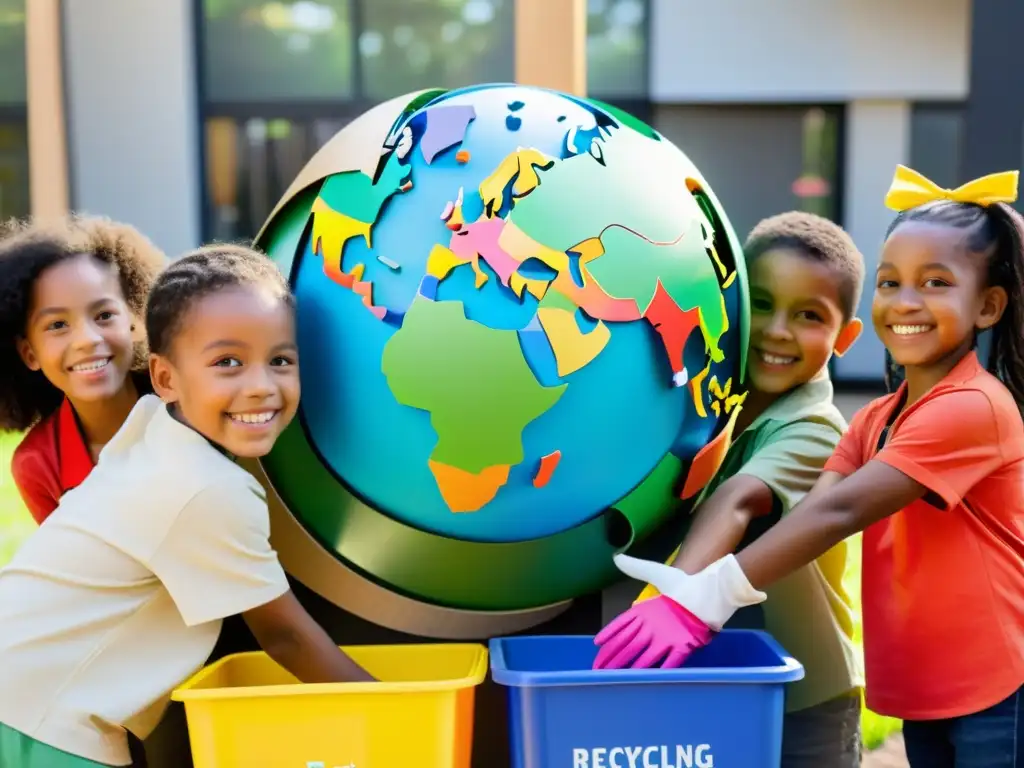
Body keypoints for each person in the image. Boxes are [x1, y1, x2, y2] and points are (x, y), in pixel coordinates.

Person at [599, 165, 1024, 767]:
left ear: (988, 306)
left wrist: (699, 599)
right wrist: (681, 592)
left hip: (999, 682)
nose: (906, 301)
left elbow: (842, 511)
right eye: (891, 281)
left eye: (935, 283)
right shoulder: (877, 417)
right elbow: (820, 508)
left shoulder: (971, 407)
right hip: (931, 687)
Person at [0, 244, 375, 768]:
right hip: (36, 718)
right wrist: (387, 712)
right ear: (165, 378)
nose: (261, 387)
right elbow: (286, 635)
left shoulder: (153, 431)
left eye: (281, 360)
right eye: (228, 363)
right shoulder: (204, 487)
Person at [595, 211, 866, 767]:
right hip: (717, 678)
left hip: (804, 697)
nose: (778, 330)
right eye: (762, 303)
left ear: (846, 338)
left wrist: (679, 599)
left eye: (809, 316)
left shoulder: (815, 427)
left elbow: (739, 498)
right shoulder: (706, 396)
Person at [0, 215, 166, 524]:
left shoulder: (189, 408)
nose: (88, 340)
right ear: (29, 353)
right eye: (57, 325)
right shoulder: (39, 464)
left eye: (103, 315)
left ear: (133, 321)